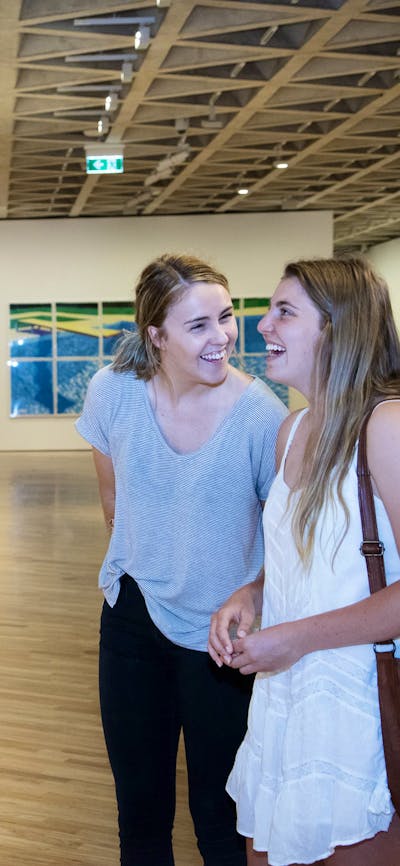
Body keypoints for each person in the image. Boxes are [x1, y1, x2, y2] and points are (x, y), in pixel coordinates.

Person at [75, 252, 287, 866]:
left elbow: (284, 543)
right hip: (132, 620)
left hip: (222, 639)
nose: (222, 336)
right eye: (198, 325)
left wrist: (249, 591)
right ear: (156, 336)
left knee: (220, 822)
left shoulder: (260, 415)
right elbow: (112, 501)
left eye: (225, 317)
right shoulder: (112, 393)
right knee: (139, 818)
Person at [208, 256, 400, 866]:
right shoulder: (290, 431)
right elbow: (302, 562)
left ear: (338, 329)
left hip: (360, 708)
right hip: (286, 699)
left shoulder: (387, 426)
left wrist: (298, 639)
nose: (261, 326)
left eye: (285, 311)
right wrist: (256, 594)